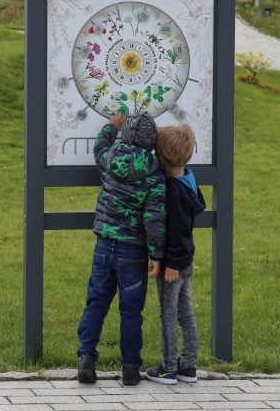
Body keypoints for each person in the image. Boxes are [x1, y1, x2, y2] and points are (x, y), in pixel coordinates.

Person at [76, 111, 166, 386]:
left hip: (104, 246)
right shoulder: (154, 174)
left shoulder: (111, 159)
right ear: (152, 143)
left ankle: (87, 358)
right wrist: (157, 254)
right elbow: (154, 220)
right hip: (133, 253)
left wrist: (110, 126)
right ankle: (130, 369)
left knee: (96, 303)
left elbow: (99, 148)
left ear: (125, 135)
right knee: (131, 313)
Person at [145, 124, 206, 385]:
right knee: (185, 313)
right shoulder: (188, 180)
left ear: (160, 157)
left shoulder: (173, 192)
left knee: (168, 314)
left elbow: (177, 233)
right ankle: (188, 365)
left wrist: (171, 264)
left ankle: (169, 367)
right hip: (186, 262)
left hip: (174, 264)